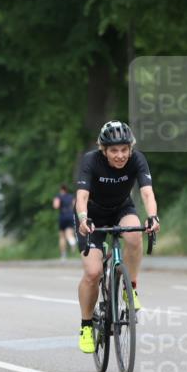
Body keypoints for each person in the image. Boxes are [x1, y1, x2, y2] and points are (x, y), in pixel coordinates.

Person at [75, 120, 159, 353]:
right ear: (104, 150)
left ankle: (129, 287)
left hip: (121, 208)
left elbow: (147, 192)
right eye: (114, 150)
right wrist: (83, 218)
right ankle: (86, 326)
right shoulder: (91, 160)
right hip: (91, 215)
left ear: (130, 148)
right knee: (93, 273)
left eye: (124, 149)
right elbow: (81, 197)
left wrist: (152, 217)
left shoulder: (137, 159)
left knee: (134, 237)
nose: (120, 155)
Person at [53, 184, 77, 260]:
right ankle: (72, 242)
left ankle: (63, 255)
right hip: (70, 216)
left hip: (63, 216)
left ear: (61, 190)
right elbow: (75, 206)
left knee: (62, 236)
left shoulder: (59, 196)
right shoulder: (71, 196)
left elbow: (56, 206)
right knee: (69, 233)